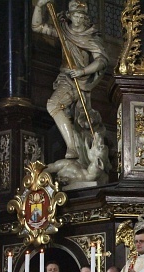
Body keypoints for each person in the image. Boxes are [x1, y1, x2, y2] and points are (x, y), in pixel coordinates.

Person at [31, 0, 109, 163]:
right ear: (70, 16)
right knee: (55, 106)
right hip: (65, 78)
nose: (79, 19)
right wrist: (39, 6)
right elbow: (37, 27)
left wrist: (82, 71)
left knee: (54, 105)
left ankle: (73, 147)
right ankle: (72, 146)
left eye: (82, 16)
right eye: (76, 15)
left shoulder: (91, 36)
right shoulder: (63, 31)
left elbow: (101, 61)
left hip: (79, 81)